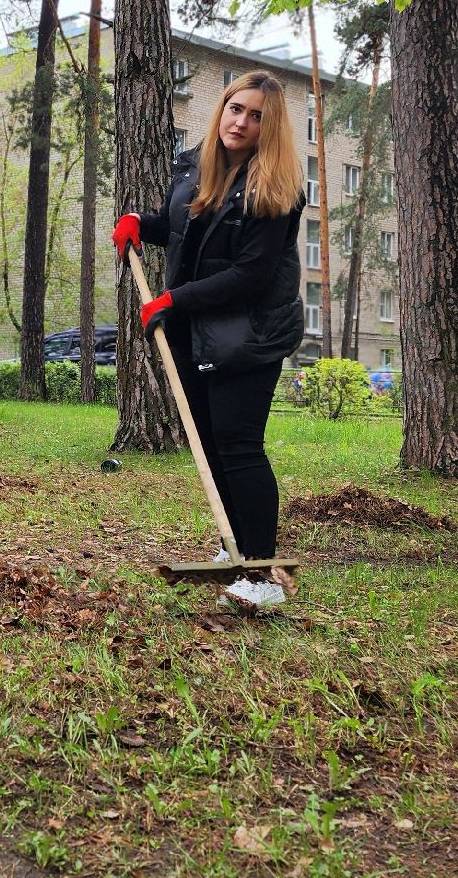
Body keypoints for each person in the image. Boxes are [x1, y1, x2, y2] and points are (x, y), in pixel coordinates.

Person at [113, 71, 306, 609]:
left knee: (239, 446)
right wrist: (140, 223)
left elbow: (250, 274)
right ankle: (236, 550)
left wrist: (175, 300)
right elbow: (184, 231)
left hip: (250, 334)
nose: (240, 122)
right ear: (221, 109)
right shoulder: (200, 170)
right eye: (234, 108)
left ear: (270, 128)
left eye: (255, 116)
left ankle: (263, 575)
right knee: (211, 444)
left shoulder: (277, 189)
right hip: (195, 333)